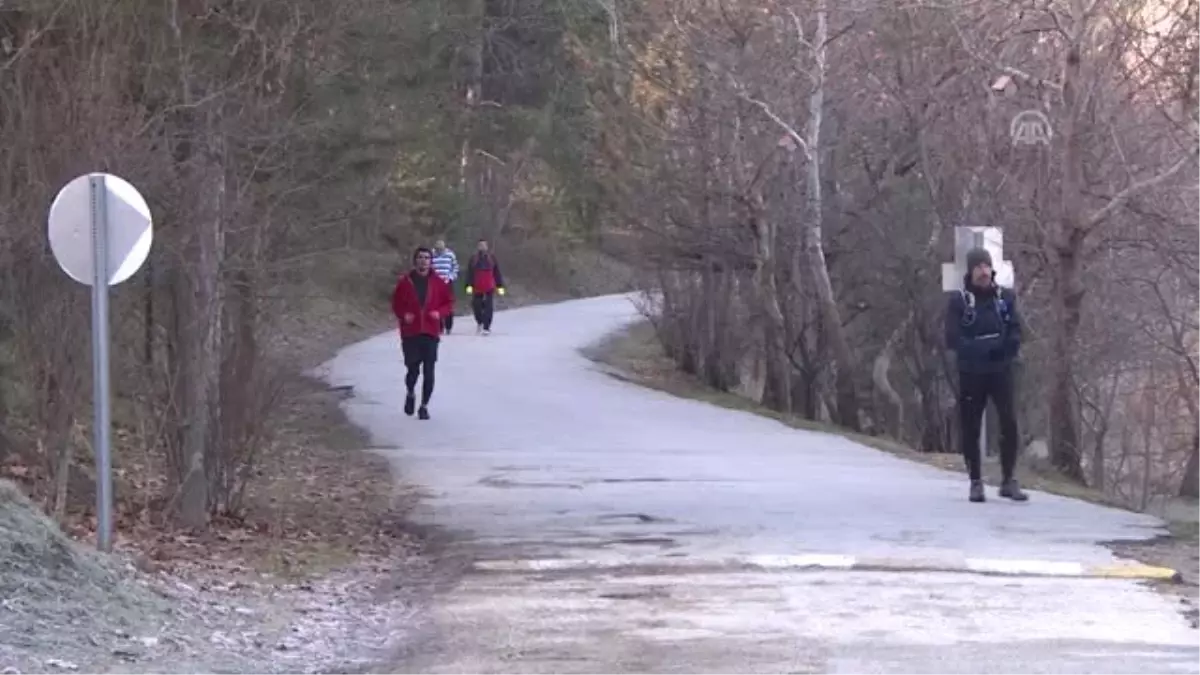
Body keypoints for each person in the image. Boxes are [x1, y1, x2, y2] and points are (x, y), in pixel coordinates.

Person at [944, 247, 1027, 503]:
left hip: (1001, 370)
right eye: (977, 266)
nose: (982, 271)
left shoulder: (1006, 298)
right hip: (971, 372)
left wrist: (1000, 348)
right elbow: (953, 338)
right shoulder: (959, 301)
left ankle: (1008, 479)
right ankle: (976, 481)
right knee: (970, 426)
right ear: (970, 270)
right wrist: (985, 348)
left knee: (1009, 423)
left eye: (986, 266)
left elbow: (1016, 332)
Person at [391, 246, 454, 420]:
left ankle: (424, 406)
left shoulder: (438, 282)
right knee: (412, 369)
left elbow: (449, 303)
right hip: (411, 332)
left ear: (431, 261)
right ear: (415, 260)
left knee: (429, 370)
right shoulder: (405, 282)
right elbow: (396, 303)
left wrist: (439, 313)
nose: (424, 260)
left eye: (427, 257)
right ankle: (410, 392)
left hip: (430, 331)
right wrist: (404, 315)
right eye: (420, 257)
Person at [463, 238, 506, 335]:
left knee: (488, 307)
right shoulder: (473, 258)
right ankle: (480, 322)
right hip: (477, 287)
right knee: (476, 306)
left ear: (487, 246)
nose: (482, 247)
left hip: (489, 287)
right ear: (478, 247)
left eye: (484, 245)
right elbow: (469, 273)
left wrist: (500, 287)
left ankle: (486, 327)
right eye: (480, 245)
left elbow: (497, 273)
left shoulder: (492, 258)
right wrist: (468, 286)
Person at [431, 239, 459, 334]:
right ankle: (439, 327)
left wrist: (451, 277)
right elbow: (428, 268)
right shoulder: (431, 255)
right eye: (438, 249)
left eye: (441, 249)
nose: (439, 250)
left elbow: (455, 268)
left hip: (447, 283)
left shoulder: (450, 255)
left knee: (448, 305)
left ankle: (448, 326)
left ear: (444, 248)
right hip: (435, 284)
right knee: (435, 305)